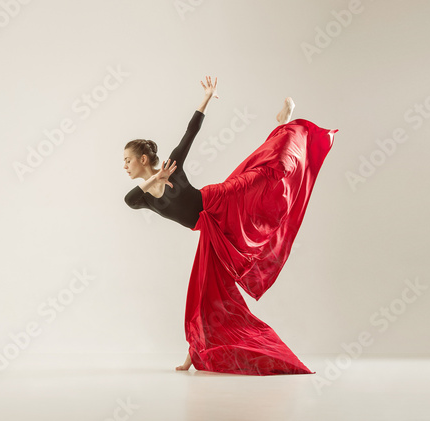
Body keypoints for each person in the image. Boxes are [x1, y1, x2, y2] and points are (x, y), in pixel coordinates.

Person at [123, 76, 337, 375]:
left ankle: (284, 126)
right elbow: (129, 200)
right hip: (210, 230)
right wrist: (153, 180)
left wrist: (207, 98)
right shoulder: (145, 195)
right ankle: (194, 355)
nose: (125, 166)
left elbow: (190, 132)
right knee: (205, 293)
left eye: (128, 160)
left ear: (143, 159)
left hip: (219, 201)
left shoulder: (172, 165)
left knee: (265, 175)